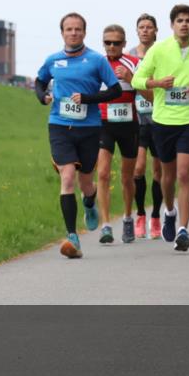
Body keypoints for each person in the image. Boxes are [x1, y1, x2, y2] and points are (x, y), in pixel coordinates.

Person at [131, 4, 189, 251]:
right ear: (172, 25)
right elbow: (137, 79)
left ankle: (183, 229)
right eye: (179, 20)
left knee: (183, 174)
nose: (184, 24)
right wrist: (157, 82)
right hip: (162, 121)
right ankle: (169, 211)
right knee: (166, 177)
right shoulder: (159, 49)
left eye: (188, 20)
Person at [36, 13, 122, 259]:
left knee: (86, 182)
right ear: (62, 32)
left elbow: (114, 90)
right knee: (68, 177)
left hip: (90, 127)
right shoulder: (53, 60)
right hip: (60, 126)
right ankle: (72, 236)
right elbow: (40, 83)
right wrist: (43, 97)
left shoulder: (96, 60)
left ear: (84, 32)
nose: (73, 33)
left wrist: (88, 99)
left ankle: (89, 202)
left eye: (78, 29)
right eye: (69, 29)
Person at [96, 25, 140, 244]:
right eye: (107, 42)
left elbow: (149, 94)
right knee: (103, 173)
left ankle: (127, 218)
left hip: (128, 124)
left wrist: (131, 78)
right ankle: (105, 225)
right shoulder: (97, 63)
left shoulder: (134, 62)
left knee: (126, 176)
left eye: (116, 42)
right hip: (104, 123)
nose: (111, 46)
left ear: (124, 43)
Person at [127, 14, 164, 239]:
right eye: (141, 27)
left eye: (149, 27)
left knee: (158, 171)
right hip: (136, 118)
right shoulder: (129, 55)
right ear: (137, 30)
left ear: (156, 30)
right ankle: (140, 214)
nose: (145, 30)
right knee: (138, 169)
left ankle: (157, 216)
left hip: (159, 118)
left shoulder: (162, 54)